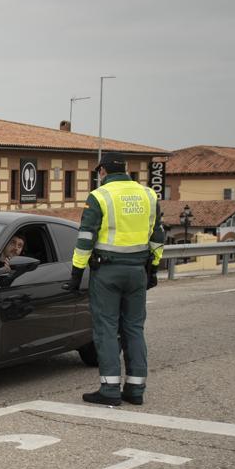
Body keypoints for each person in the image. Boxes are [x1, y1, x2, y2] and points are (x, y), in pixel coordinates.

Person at [65, 152, 165, 406]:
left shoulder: (100, 196)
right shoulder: (149, 195)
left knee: (107, 329)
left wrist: (76, 274)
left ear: (102, 172)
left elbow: (86, 238)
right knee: (134, 328)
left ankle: (109, 389)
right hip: (138, 271)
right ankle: (135, 389)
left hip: (108, 271)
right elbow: (158, 236)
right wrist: (153, 268)